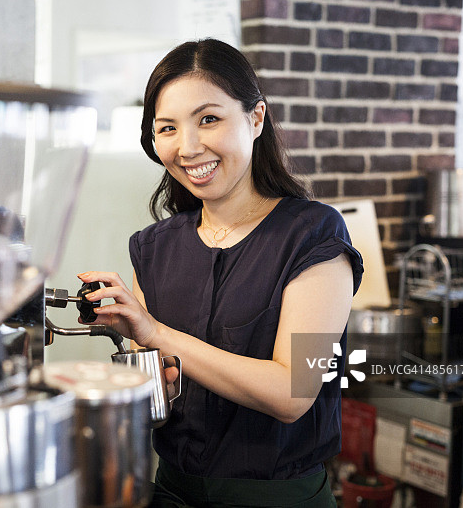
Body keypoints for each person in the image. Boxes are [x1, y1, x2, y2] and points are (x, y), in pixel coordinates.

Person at [78, 38, 364, 507]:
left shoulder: (315, 235)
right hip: (169, 493)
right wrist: (138, 371)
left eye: (208, 119)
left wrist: (156, 334)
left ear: (255, 119)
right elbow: (159, 402)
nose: (187, 147)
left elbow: (294, 393)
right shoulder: (154, 247)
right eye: (166, 128)